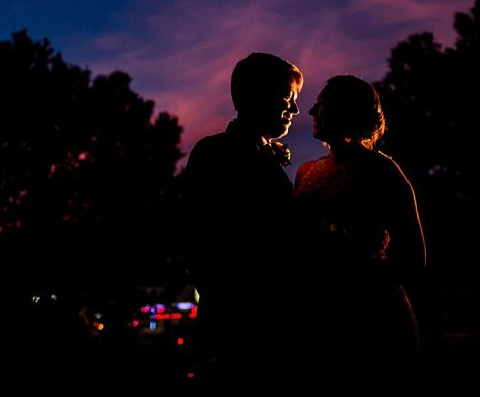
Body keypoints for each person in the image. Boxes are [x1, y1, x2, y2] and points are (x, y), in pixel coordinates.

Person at [293, 74, 427, 393]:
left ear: (344, 111)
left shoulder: (382, 172)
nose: (311, 112)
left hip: (374, 323)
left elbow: (413, 258)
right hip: (318, 321)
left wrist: (357, 279)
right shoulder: (306, 172)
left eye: (321, 105)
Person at [179, 52, 303, 389]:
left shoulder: (262, 156)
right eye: (286, 100)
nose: (294, 110)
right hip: (240, 321)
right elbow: (200, 238)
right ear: (254, 97)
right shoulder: (215, 154)